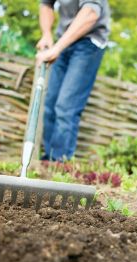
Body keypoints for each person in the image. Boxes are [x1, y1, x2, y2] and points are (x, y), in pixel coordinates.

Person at [36, 0, 110, 161]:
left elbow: (91, 13)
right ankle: (48, 160)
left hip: (89, 40)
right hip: (64, 39)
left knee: (66, 105)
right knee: (50, 103)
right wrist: (46, 33)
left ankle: (59, 164)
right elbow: (46, 4)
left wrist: (56, 48)